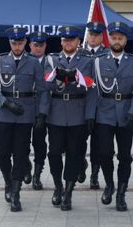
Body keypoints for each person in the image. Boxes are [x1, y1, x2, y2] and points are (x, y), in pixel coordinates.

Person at [0, 27, 49, 212]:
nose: (17, 46)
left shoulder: (33, 63)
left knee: (21, 154)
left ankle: (15, 192)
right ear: (10, 43)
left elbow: (43, 90)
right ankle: (8, 182)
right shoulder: (0, 61)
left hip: (25, 113)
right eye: (14, 43)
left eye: (20, 42)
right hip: (6, 113)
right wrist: (5, 104)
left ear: (25, 43)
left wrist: (41, 114)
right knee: (3, 153)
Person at [44, 26, 96, 211]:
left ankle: (68, 192)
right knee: (54, 153)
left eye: (72, 39)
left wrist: (90, 115)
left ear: (78, 41)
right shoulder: (51, 59)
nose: (68, 42)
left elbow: (91, 88)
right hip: (56, 113)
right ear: (61, 41)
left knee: (74, 154)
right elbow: (45, 87)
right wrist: (43, 113)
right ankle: (58, 186)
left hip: (78, 113)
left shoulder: (87, 61)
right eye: (65, 40)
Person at [94, 21, 133, 211]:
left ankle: (121, 194)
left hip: (126, 114)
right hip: (104, 113)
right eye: (114, 38)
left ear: (125, 40)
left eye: (120, 38)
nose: (116, 41)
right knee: (104, 153)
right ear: (109, 39)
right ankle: (109, 184)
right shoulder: (99, 61)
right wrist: (91, 115)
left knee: (124, 156)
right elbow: (93, 89)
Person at [78, 21, 107, 188]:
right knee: (79, 140)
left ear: (101, 36)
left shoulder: (107, 54)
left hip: (101, 106)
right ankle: (81, 164)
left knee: (97, 143)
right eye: (91, 34)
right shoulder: (79, 54)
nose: (93, 38)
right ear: (87, 36)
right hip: (81, 105)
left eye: (96, 35)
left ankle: (95, 174)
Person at [28, 31, 49, 190]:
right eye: (35, 45)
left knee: (39, 143)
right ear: (30, 46)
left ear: (45, 46)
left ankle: (37, 175)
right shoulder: (23, 60)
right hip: (24, 108)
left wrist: (42, 113)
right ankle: (25, 165)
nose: (38, 48)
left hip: (42, 108)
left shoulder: (51, 62)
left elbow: (47, 90)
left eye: (41, 45)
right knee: (20, 143)